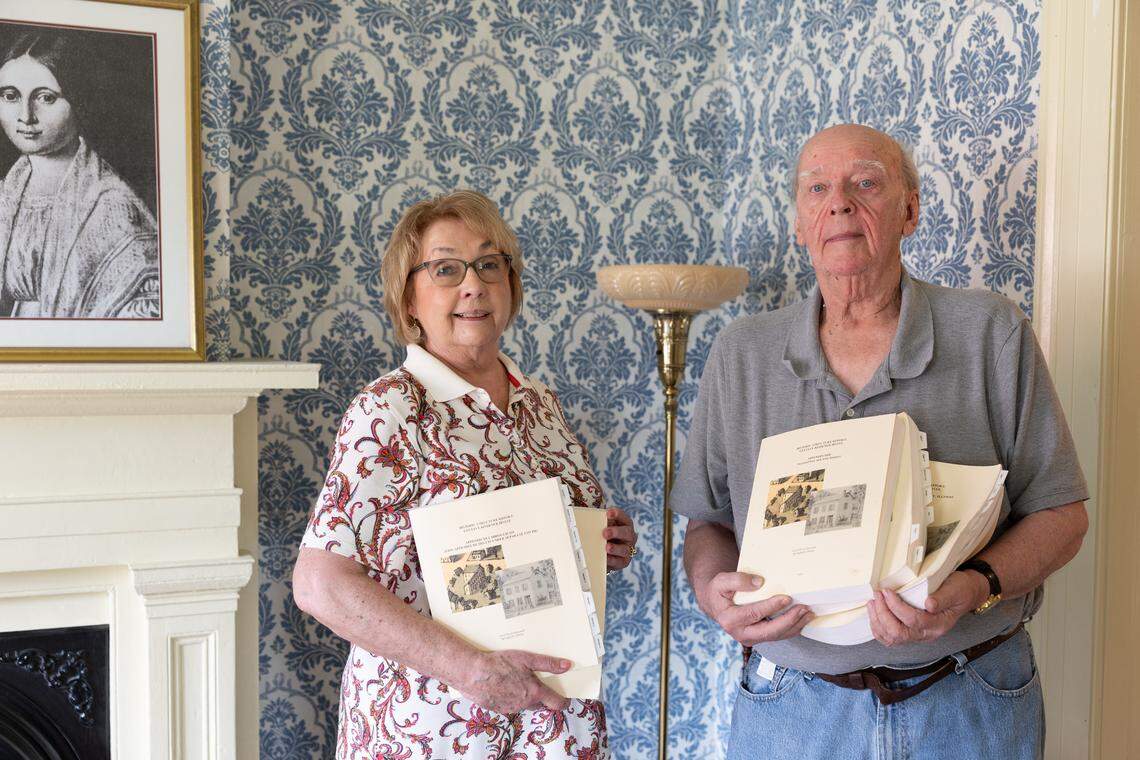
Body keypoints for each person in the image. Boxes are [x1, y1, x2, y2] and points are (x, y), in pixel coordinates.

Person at [671, 124, 1088, 759]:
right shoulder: (742, 354)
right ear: (799, 221)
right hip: (791, 708)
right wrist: (712, 593)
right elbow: (708, 522)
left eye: (865, 183)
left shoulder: (990, 332)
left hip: (968, 695)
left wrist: (973, 587)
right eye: (817, 188)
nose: (838, 202)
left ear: (910, 211)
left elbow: (1062, 513)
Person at [292, 190, 637, 759]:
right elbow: (320, 584)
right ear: (409, 298)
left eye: (488, 264)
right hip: (435, 732)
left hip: (555, 722)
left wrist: (605, 543)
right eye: (446, 268)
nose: (472, 284)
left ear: (510, 284)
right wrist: (473, 669)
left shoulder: (540, 404)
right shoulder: (392, 410)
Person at [0, 30, 158, 318]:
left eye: (46, 98)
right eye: (10, 96)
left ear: (79, 100)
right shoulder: (6, 194)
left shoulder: (112, 205)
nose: (26, 115)